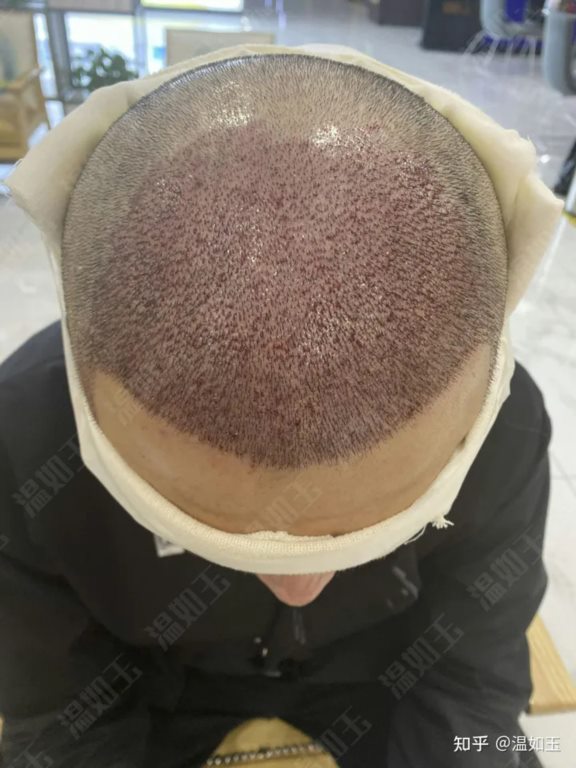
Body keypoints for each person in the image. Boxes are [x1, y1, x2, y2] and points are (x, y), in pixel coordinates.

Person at [0, 47, 563, 767]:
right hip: (156, 687)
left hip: (385, 678)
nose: (300, 591)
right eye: (211, 535)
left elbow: (471, 689)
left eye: (373, 534)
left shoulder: (503, 425)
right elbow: (60, 716)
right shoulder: (25, 439)